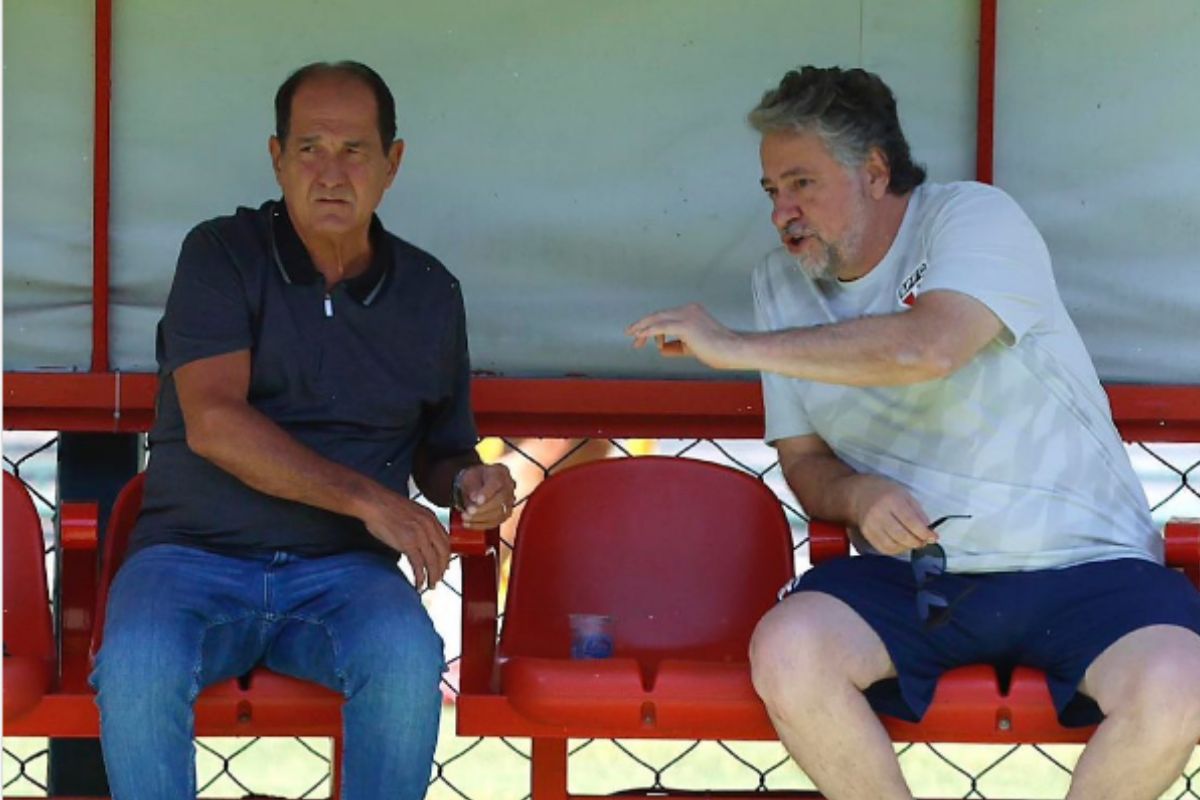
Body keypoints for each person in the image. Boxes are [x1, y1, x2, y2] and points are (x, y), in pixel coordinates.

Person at [626, 65, 1200, 800]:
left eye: (802, 184)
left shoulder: (972, 217)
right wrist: (857, 495)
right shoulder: (779, 282)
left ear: (874, 172)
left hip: (1086, 564)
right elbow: (804, 461)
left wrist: (734, 347)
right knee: (791, 650)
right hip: (920, 577)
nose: (782, 213)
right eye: (772, 191)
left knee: (1178, 682)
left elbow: (929, 347)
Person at [90, 61, 515, 800]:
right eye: (310, 148)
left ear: (393, 163)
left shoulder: (429, 292)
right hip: (191, 557)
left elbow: (442, 449)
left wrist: (471, 484)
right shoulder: (221, 254)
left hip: (345, 572)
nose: (331, 173)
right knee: (137, 663)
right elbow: (215, 424)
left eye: (355, 150)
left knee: (406, 657)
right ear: (277, 158)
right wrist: (370, 501)